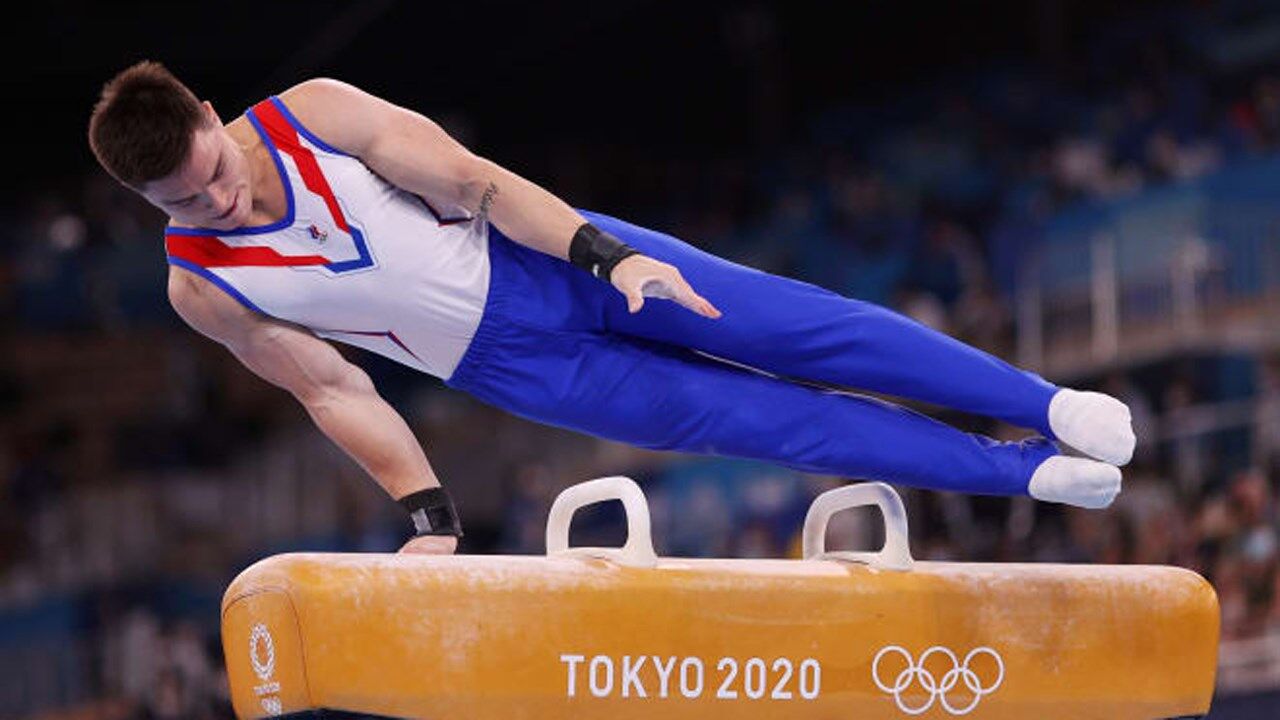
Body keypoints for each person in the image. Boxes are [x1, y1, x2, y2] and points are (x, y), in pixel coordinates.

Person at [87, 61, 1134, 555]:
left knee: (802, 330)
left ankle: (1042, 405)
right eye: (182, 200)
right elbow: (330, 388)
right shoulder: (203, 287)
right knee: (776, 424)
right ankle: (1022, 471)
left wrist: (608, 256)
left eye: (211, 168)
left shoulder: (314, 116)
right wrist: (429, 515)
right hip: (521, 373)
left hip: (552, 258)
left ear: (213, 118)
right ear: (146, 204)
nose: (214, 199)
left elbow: (470, 179)